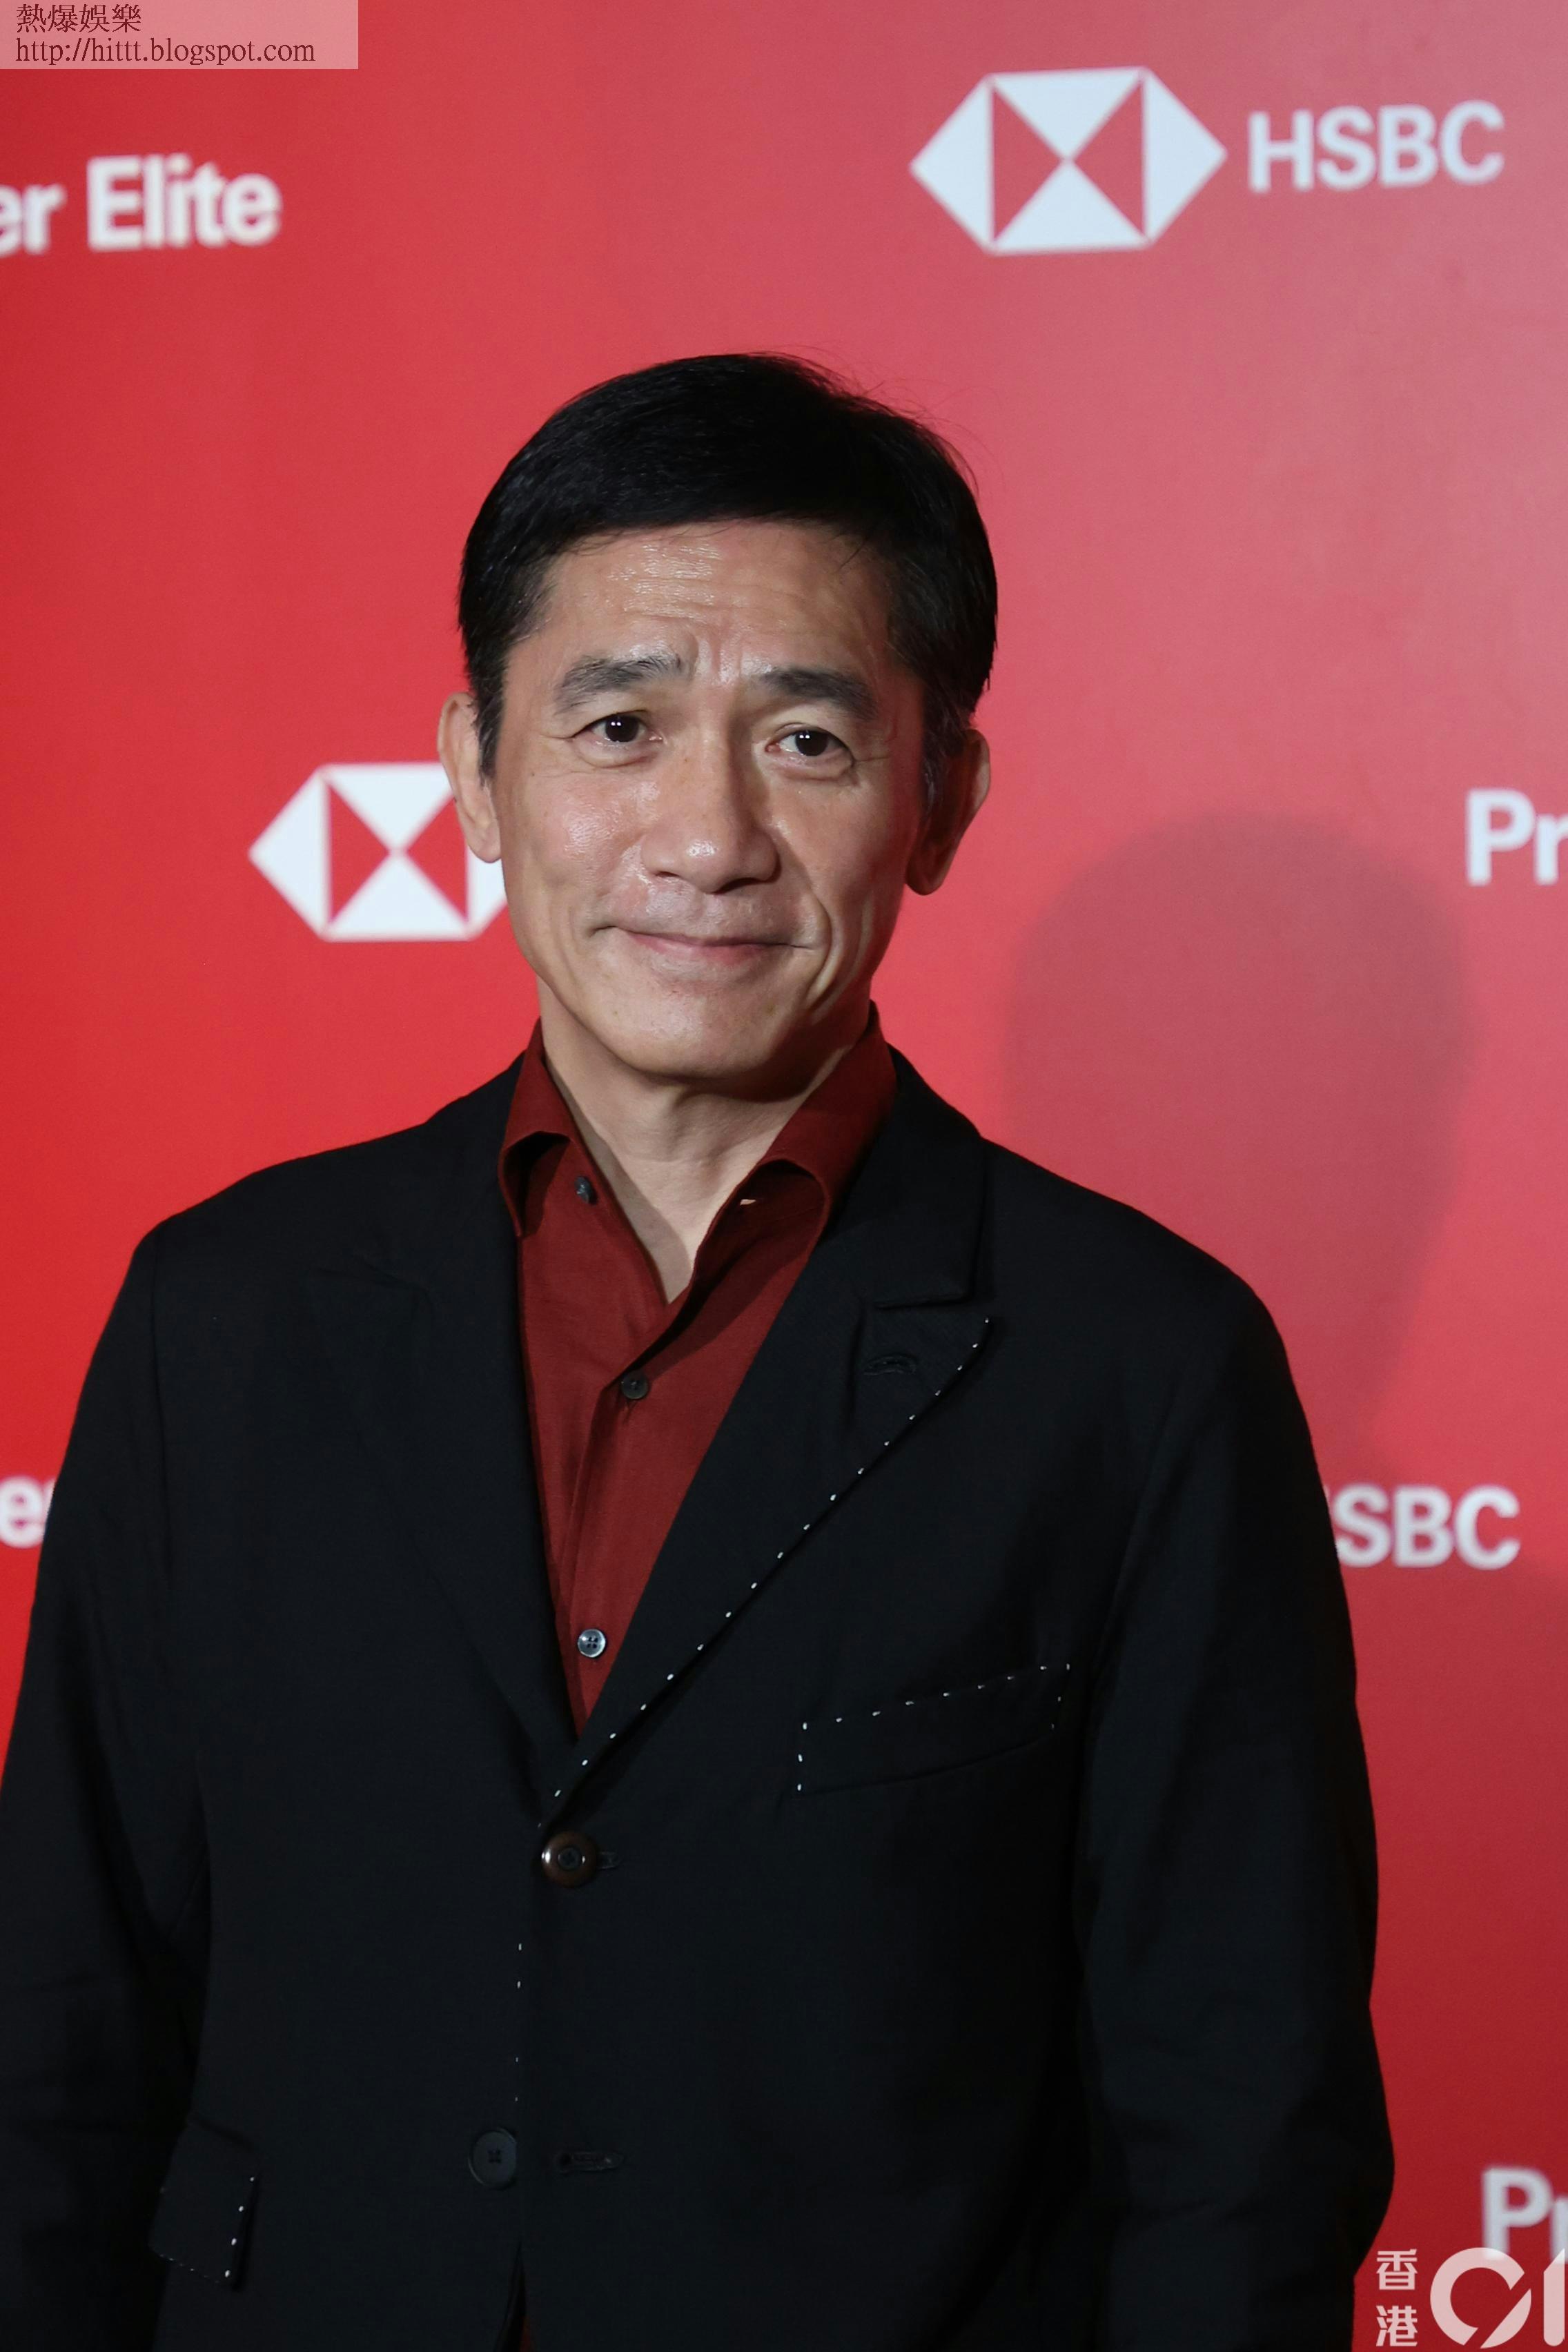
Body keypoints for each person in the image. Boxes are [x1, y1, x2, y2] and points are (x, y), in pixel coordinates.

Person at [0, 353, 1392, 2351]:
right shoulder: (223, 1314)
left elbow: (1241, 2133)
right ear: (478, 773)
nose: (709, 835)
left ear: (941, 799)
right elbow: (63, 2016)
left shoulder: (1140, 1366)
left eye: (809, 740)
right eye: (620, 727)